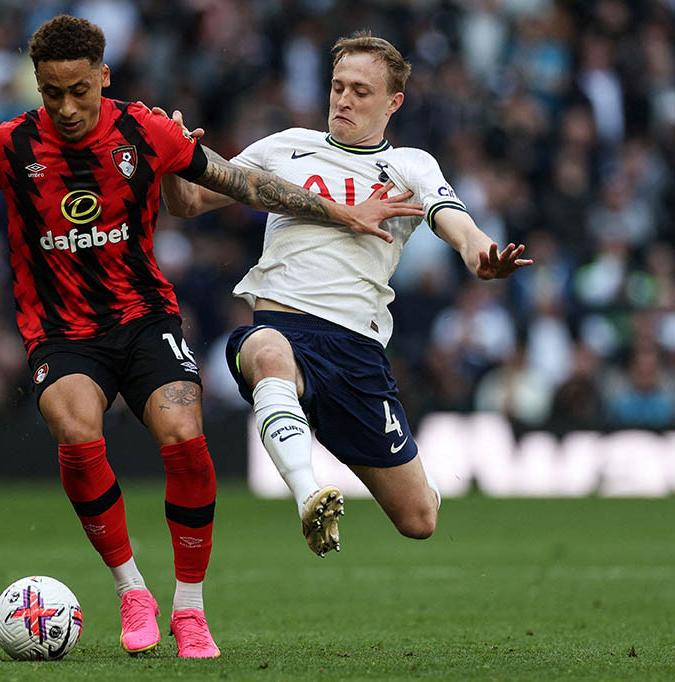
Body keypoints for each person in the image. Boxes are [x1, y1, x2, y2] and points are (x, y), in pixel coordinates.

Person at [0, 17, 422, 658]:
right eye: (51, 91)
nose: (65, 107)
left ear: (104, 77)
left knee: (184, 435)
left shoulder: (144, 132)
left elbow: (242, 182)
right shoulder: (9, 145)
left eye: (79, 91)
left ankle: (191, 609)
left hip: (144, 317)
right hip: (62, 331)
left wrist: (341, 212)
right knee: (75, 424)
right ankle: (132, 590)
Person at [160, 31, 533, 557]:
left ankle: (362, 458)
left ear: (393, 102)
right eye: (338, 86)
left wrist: (481, 256)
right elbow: (190, 201)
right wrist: (177, 160)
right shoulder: (284, 147)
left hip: (357, 351)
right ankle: (309, 494)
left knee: (419, 518)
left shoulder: (411, 164)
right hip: (282, 326)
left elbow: (457, 223)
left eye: (360, 90)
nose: (344, 99)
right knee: (265, 353)